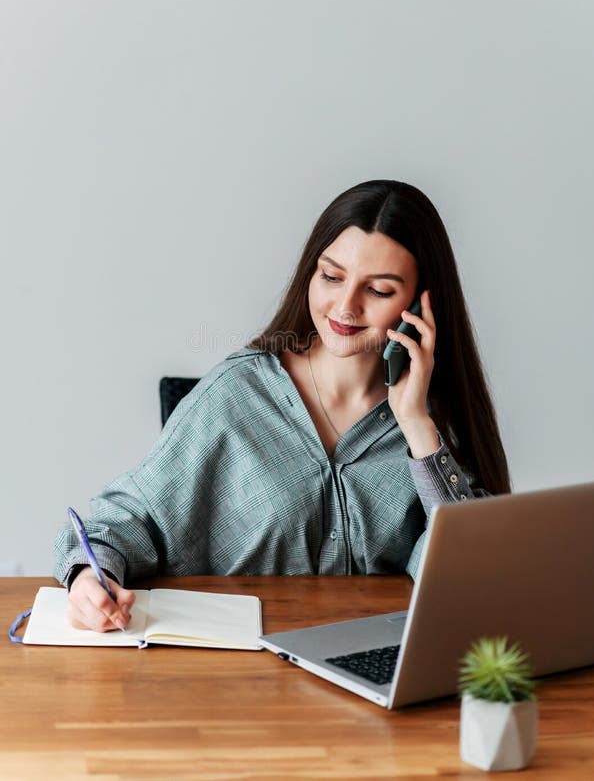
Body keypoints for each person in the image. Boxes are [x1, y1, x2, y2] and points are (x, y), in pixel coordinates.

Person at [55, 179, 510, 632]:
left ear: (421, 304)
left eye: (379, 291)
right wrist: (89, 579)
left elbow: (474, 574)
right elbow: (119, 522)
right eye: (331, 277)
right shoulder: (237, 394)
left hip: (379, 671)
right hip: (247, 681)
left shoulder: (433, 422)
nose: (345, 307)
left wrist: (416, 425)